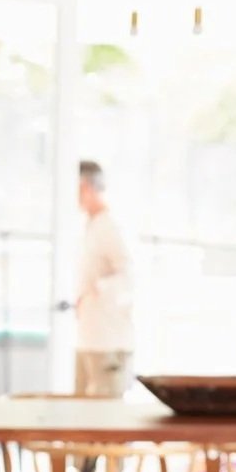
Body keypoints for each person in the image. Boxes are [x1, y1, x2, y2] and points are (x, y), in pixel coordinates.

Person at [74, 160, 136, 398]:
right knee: (81, 410)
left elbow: (129, 276)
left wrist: (96, 291)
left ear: (86, 187)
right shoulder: (90, 226)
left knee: (104, 410)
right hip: (88, 338)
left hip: (109, 341)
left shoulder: (112, 226)